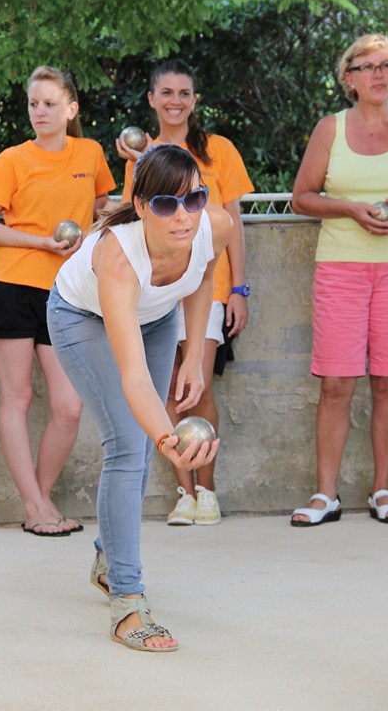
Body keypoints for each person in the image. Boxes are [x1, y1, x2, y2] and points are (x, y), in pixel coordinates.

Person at [47, 144, 232, 650]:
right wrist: (168, 436)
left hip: (155, 317)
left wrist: (194, 355)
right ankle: (127, 604)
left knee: (142, 443)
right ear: (142, 203)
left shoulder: (214, 224)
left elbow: (203, 275)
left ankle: (109, 559)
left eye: (193, 198)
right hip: (78, 316)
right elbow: (134, 380)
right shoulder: (118, 256)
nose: (184, 215)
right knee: (131, 444)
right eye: (167, 204)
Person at [0, 65, 116, 537]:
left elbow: (105, 211)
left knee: (69, 405)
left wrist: (141, 168)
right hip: (11, 285)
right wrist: (41, 243)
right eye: (34, 103)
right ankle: (34, 508)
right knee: (18, 396)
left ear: (71, 109)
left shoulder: (90, 153)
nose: (40, 111)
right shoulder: (12, 159)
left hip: (67, 294)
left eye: (50, 103)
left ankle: (42, 498)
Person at [116, 59, 254, 526]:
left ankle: (208, 493)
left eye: (185, 93)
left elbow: (231, 224)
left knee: (200, 383)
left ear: (195, 101)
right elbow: (130, 220)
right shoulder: (142, 157)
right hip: (154, 288)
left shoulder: (220, 150)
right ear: (152, 99)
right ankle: (184, 492)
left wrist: (238, 287)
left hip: (205, 286)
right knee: (164, 387)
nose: (176, 101)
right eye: (167, 92)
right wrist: (133, 165)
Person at [291, 34, 388, 527]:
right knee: (337, 383)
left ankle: (382, 489)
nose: (381, 74)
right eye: (369, 66)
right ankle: (326, 495)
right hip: (340, 269)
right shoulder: (330, 129)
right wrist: (351, 210)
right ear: (349, 78)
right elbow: (302, 197)